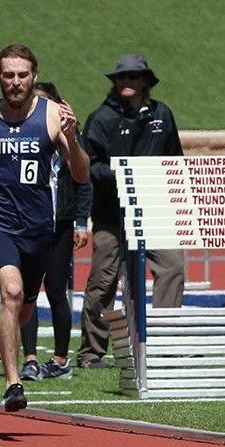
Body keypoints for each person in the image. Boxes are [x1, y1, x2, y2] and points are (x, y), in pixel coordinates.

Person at [0, 44, 89, 411]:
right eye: (8, 75)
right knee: (12, 292)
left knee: (24, 309)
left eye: (22, 75)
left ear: (33, 76)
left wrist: (73, 137)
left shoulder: (52, 116)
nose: (15, 82)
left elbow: (80, 173)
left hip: (38, 230)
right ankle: (13, 384)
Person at [78, 53, 185, 369]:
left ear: (145, 82)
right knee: (103, 281)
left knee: (173, 266)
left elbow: (174, 160)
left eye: (133, 77)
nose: (126, 82)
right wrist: (122, 174)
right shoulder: (101, 118)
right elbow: (89, 167)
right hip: (112, 214)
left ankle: (165, 342)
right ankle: (91, 353)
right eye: (121, 77)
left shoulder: (162, 115)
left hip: (153, 212)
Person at [18, 82, 92, 381]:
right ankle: (31, 358)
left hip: (60, 224)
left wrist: (81, 221)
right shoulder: (24, 135)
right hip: (29, 224)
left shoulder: (71, 139)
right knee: (27, 293)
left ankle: (61, 359)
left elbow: (83, 182)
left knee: (57, 291)